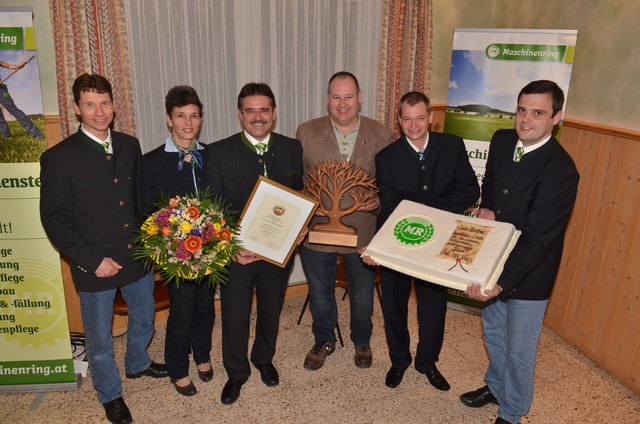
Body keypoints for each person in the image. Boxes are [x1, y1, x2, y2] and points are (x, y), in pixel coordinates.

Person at [39, 73, 167, 424]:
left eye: (105, 103)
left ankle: (138, 362)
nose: (99, 112)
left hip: (136, 256)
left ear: (113, 105)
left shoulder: (130, 145)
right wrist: (93, 260)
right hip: (95, 264)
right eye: (90, 105)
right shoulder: (58, 158)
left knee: (144, 318)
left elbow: (137, 200)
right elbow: (55, 220)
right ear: (77, 109)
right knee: (100, 341)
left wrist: (154, 239)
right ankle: (109, 393)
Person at [459, 80, 579, 424]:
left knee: (519, 351)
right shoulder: (501, 140)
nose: (526, 120)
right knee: (494, 335)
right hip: (492, 260)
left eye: (538, 113)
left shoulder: (562, 171)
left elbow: (539, 239)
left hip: (530, 273)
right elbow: (490, 181)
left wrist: (500, 283)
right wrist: (488, 206)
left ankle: (511, 413)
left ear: (556, 118)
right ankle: (496, 388)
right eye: (522, 110)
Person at [363, 91, 479, 391]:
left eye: (419, 118)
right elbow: (388, 207)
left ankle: (427, 362)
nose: (413, 125)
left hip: (438, 245)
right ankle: (399, 361)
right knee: (394, 306)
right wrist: (379, 247)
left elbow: (470, 190)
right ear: (399, 121)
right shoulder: (386, 157)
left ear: (430, 118)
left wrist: (430, 213)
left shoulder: (452, 146)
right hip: (398, 244)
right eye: (407, 119)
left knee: (433, 307)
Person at [205, 82, 303, 405]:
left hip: (277, 253)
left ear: (274, 113)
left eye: (264, 110)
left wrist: (300, 228)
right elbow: (212, 210)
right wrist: (231, 247)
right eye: (250, 111)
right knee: (234, 315)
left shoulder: (292, 148)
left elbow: (298, 194)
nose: (257, 117)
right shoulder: (219, 153)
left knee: (271, 309)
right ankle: (236, 372)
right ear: (240, 114)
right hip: (239, 254)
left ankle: (263, 358)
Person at [296, 71, 393, 371]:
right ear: (328, 99)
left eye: (348, 97)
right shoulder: (306, 132)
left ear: (359, 97)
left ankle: (361, 340)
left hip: (363, 230)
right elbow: (298, 181)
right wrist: (307, 208)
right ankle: (324, 338)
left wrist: (380, 201)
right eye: (336, 97)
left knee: (362, 295)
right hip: (318, 229)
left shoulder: (382, 134)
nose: (342, 104)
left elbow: (390, 182)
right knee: (320, 293)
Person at [140, 86, 213, 397]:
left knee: (206, 306)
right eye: (181, 116)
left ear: (200, 119)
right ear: (169, 119)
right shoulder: (151, 162)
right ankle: (178, 368)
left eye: (194, 116)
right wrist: (166, 247)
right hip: (175, 255)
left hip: (210, 251)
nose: (188, 123)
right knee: (182, 310)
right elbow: (146, 213)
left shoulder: (212, 156)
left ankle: (203, 354)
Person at [0, 60, 44, 139]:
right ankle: (6, 136)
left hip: (1, 90)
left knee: (14, 110)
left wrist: (17, 66)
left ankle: (37, 133)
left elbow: (8, 65)